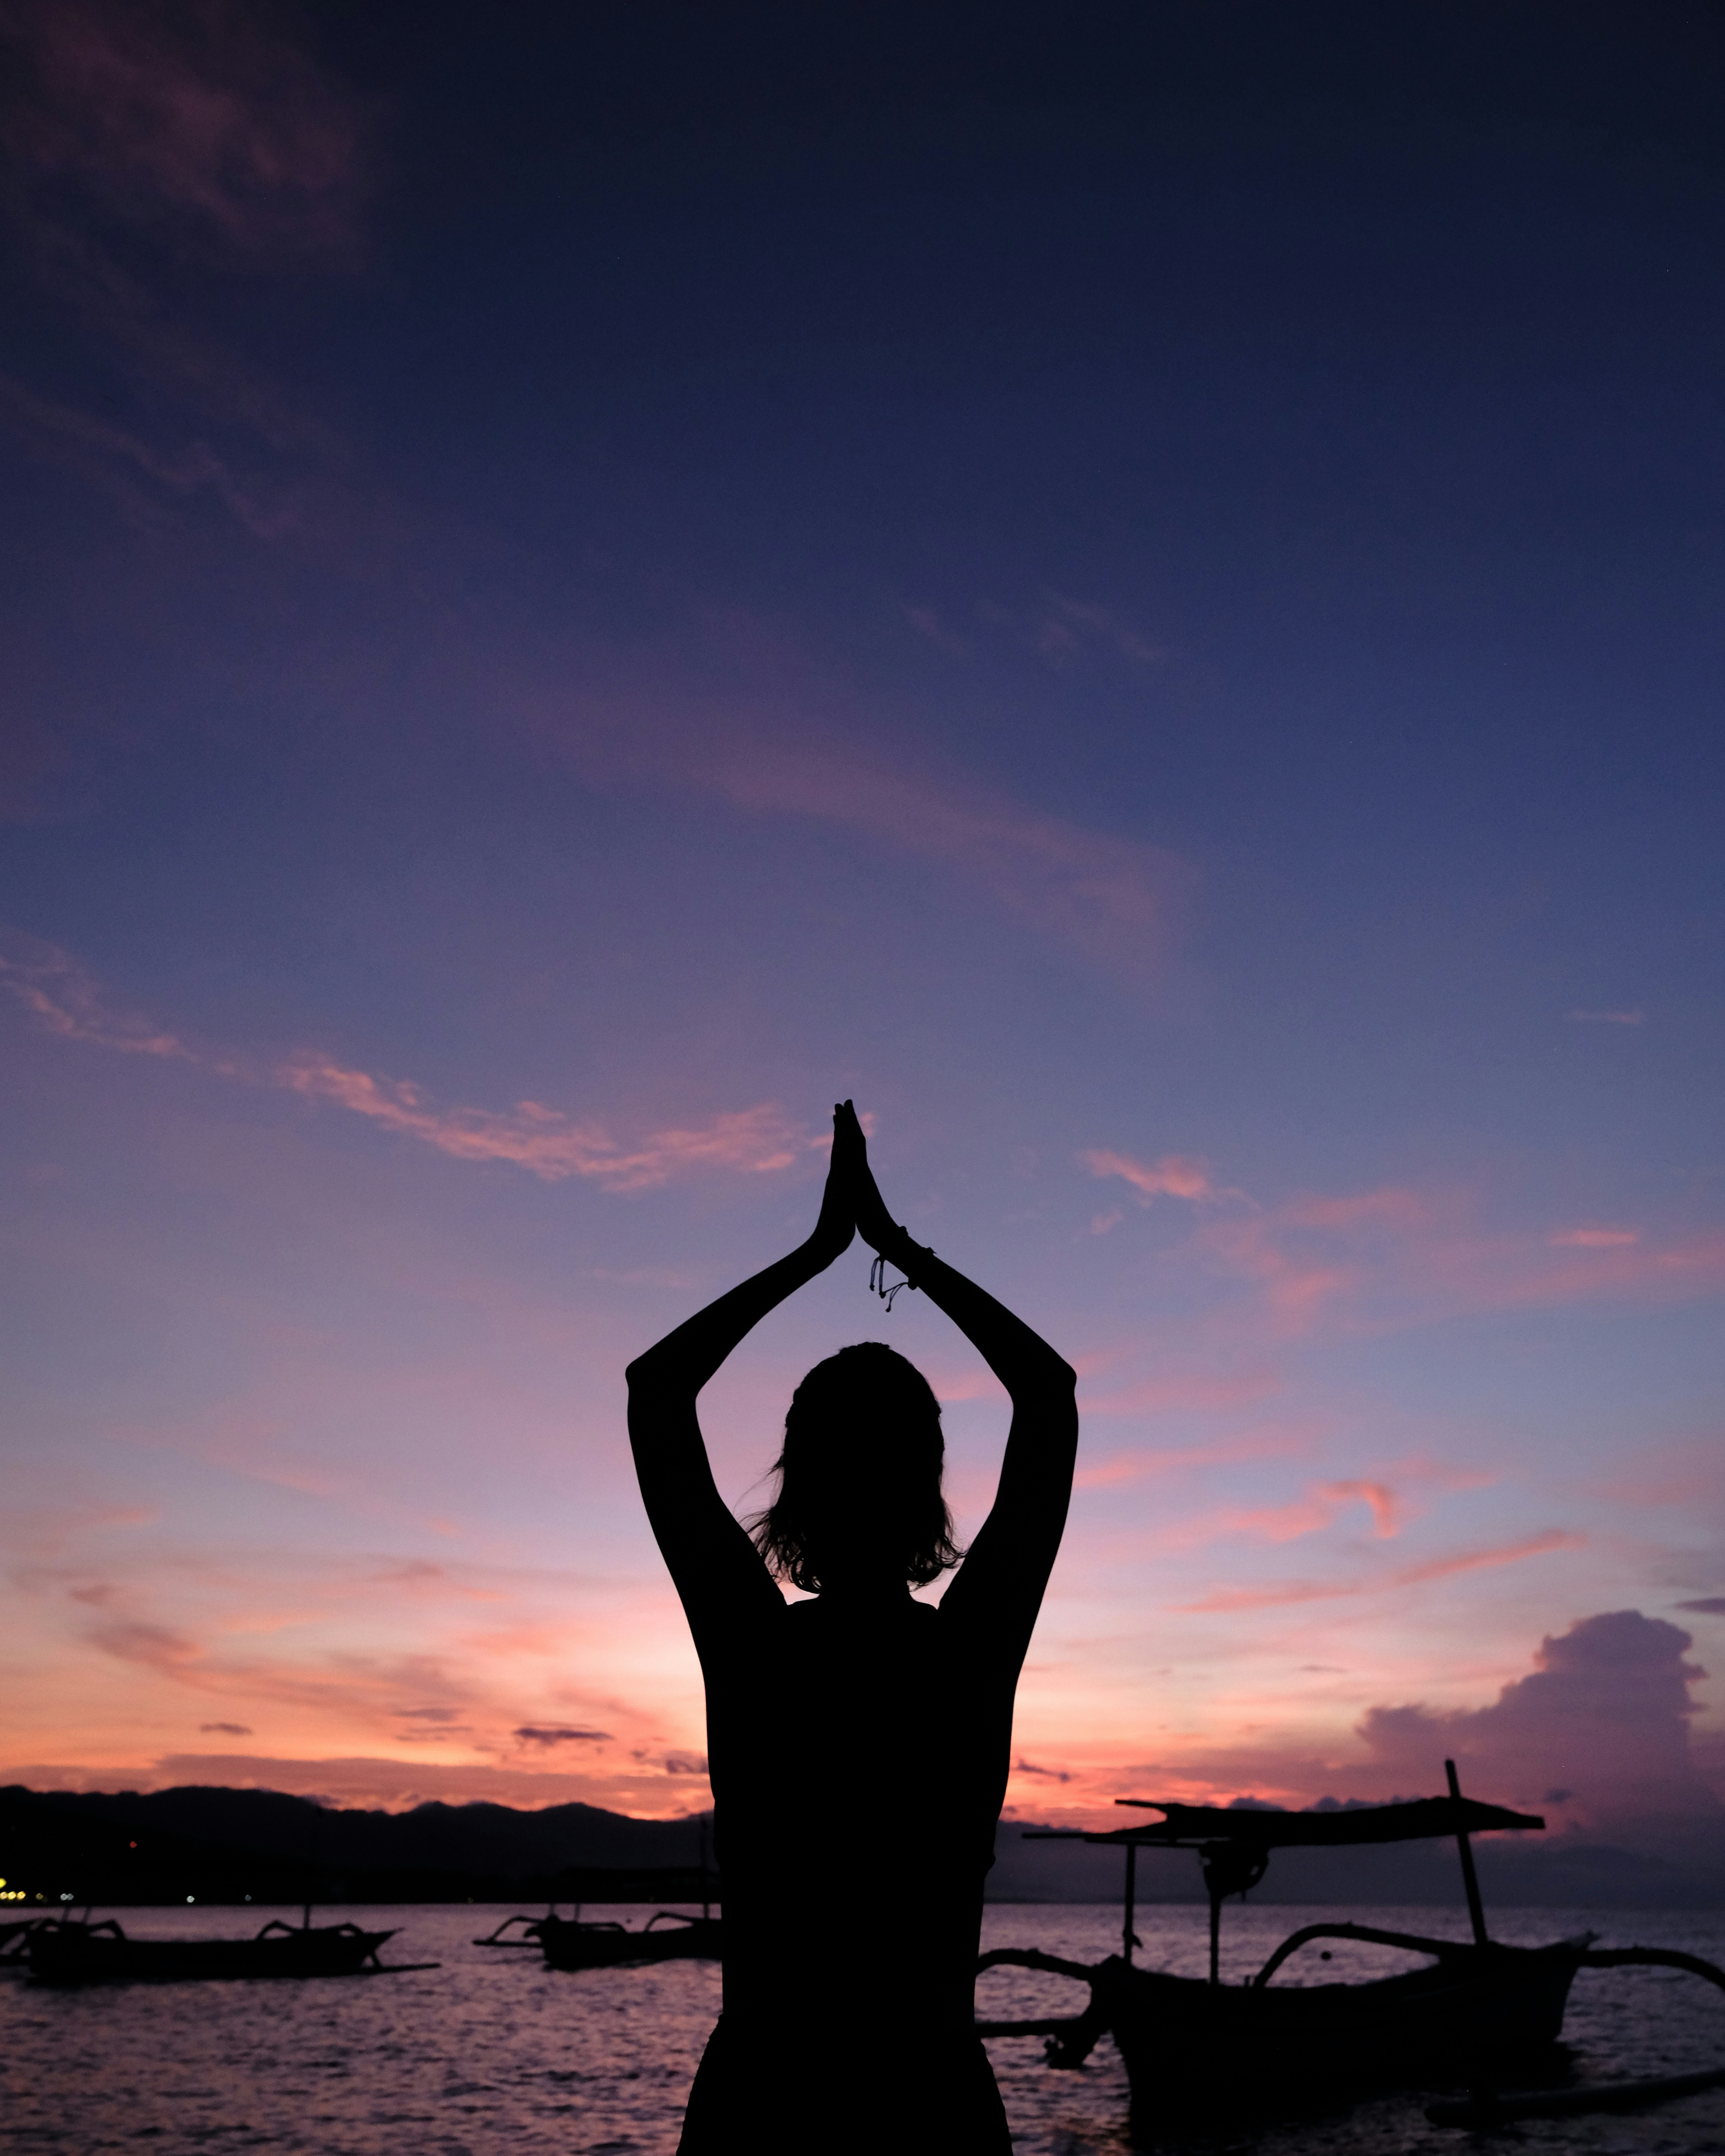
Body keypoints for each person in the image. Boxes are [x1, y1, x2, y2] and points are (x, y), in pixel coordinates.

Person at [627, 1100, 1079, 2153]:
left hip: (765, 2104)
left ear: (794, 1489)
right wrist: (894, 1249)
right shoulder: (966, 1657)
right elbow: (1047, 1398)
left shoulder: (757, 1649)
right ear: (930, 1492)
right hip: (930, 2106)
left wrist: (819, 1251)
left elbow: (657, 1393)